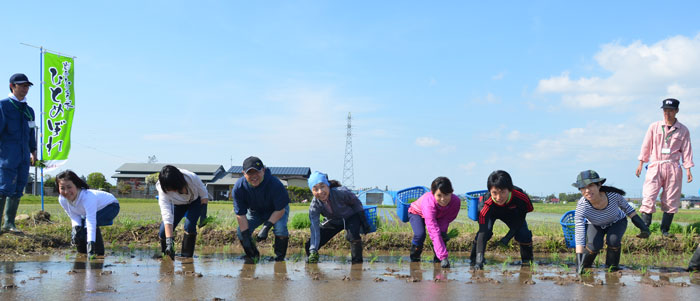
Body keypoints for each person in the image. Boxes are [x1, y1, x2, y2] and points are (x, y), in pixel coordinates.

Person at [573, 170, 651, 274]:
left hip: (617, 221)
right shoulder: (582, 205)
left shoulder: (613, 196)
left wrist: (643, 227)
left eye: (590, 186)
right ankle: (584, 265)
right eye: (583, 187)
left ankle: (612, 269)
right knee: (593, 246)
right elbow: (579, 234)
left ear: (599, 185)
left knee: (613, 240)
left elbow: (629, 210)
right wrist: (579, 264)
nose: (587, 190)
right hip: (595, 224)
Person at [636, 98, 693, 236]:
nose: (667, 113)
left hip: (673, 166)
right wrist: (641, 163)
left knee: (671, 198)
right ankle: (645, 229)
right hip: (656, 165)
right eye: (665, 110)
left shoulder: (683, 130)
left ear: (676, 111)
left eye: (670, 110)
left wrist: (688, 169)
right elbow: (646, 145)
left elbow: (686, 150)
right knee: (649, 195)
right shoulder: (654, 127)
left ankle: (665, 230)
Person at [471, 170, 533, 270]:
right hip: (491, 213)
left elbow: (521, 218)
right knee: (485, 232)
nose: (499, 197)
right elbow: (483, 231)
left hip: (511, 213)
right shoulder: (486, 204)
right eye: (494, 193)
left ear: (510, 189)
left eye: (503, 192)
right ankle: (474, 259)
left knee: (523, 233)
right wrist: (479, 261)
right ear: (490, 191)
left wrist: (507, 237)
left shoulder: (521, 197)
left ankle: (527, 261)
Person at [305, 171, 371, 264]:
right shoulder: (314, 206)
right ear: (312, 191)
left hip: (350, 216)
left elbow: (356, 202)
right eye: (315, 189)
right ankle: (312, 262)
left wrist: (363, 219)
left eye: (322, 186)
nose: (320, 192)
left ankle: (357, 264)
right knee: (309, 245)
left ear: (327, 185)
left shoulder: (341, 192)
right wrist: (313, 250)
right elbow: (314, 229)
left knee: (352, 236)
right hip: (334, 219)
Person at [233, 156, 290, 262]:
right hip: (255, 212)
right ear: (244, 173)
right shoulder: (239, 187)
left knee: (280, 228)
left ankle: (279, 258)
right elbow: (241, 214)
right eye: (250, 173)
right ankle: (253, 255)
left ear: (263, 170)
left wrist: (266, 227)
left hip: (276, 210)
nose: (254, 176)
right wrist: (245, 237)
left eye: (257, 172)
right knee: (241, 232)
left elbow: (280, 210)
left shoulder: (275, 184)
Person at [0, 74, 37, 233]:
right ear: (12, 86)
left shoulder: (29, 110)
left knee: (18, 187)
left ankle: (9, 223)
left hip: (23, 156)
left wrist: (33, 151)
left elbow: (31, 133)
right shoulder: (3, 106)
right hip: (7, 154)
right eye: (21, 85)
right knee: (3, 188)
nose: (25, 89)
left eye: (27, 86)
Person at [56, 170, 120, 256]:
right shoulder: (62, 199)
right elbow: (74, 215)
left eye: (69, 187)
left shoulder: (88, 197)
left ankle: (97, 253)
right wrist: (76, 228)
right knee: (80, 230)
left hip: (111, 206)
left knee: (87, 226)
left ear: (76, 185)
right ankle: (82, 253)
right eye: (62, 188)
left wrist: (91, 243)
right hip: (93, 212)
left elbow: (91, 221)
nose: (66, 192)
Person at [157, 165, 209, 259]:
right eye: (170, 190)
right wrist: (169, 241)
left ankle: (186, 257)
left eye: (174, 188)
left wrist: (203, 214)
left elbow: (204, 195)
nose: (173, 191)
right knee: (163, 232)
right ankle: (168, 256)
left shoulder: (192, 178)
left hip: (194, 202)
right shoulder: (162, 188)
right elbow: (167, 215)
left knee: (189, 226)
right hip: (177, 205)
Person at [407, 176, 460, 268]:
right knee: (420, 234)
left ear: (451, 192)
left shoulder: (455, 202)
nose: (443, 199)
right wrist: (444, 257)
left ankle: (438, 261)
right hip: (417, 213)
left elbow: (447, 218)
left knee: (442, 235)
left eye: (446, 194)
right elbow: (433, 231)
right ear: (433, 193)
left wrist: (442, 232)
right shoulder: (428, 203)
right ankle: (414, 260)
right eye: (439, 195)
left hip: (438, 216)